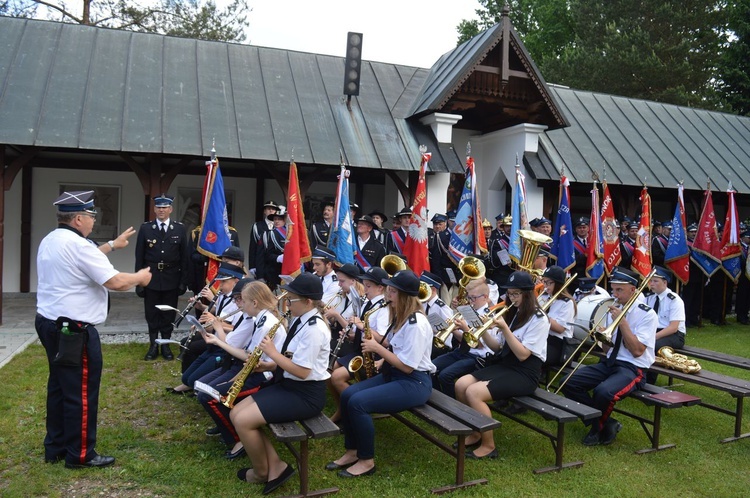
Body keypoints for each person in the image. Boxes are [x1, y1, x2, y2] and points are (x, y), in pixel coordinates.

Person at [36, 190, 152, 468]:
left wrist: (112, 245)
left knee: (60, 387)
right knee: (81, 393)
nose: (93, 220)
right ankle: (81, 454)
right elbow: (116, 282)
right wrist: (140, 277)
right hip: (74, 331)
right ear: (77, 219)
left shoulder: (52, 239)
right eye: (90, 215)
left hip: (49, 323)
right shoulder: (80, 246)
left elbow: (81, 262)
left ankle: (56, 447)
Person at [326, 270, 435, 478]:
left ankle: (366, 460)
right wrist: (379, 351)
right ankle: (352, 451)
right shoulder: (401, 318)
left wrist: (377, 349)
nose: (388, 296)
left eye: (392, 292)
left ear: (404, 296)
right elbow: (396, 347)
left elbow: (407, 366)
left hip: (414, 383)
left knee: (358, 402)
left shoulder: (417, 324)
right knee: (348, 395)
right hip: (395, 374)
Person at [230, 273, 330, 494]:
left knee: (244, 421)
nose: (286, 302)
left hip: (305, 395)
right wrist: (270, 366)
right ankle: (275, 465)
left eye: (291, 298)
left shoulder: (314, 328)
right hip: (290, 385)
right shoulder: (303, 320)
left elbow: (303, 372)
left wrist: (273, 354)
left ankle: (261, 472)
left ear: (308, 302)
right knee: (236, 413)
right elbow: (293, 360)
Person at [454, 270, 549, 459]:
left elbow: (523, 355)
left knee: (474, 392)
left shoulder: (539, 319)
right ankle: (475, 431)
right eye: (509, 294)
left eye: (515, 294)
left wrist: (504, 329)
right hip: (506, 365)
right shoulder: (513, 313)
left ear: (527, 294)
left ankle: (489, 446)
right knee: (460, 384)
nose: (511, 298)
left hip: (526, 373)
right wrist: (482, 331)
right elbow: (497, 347)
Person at [561, 267, 657, 446]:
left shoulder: (647, 314)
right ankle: (606, 424)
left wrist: (622, 323)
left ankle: (596, 430)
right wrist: (602, 335)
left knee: (603, 392)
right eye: (613, 289)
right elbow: (607, 349)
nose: (615, 294)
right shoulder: (613, 309)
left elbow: (637, 351)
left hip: (633, 367)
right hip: (610, 362)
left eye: (619, 290)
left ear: (632, 290)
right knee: (568, 382)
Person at [200, 280, 286, 460]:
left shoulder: (266, 322)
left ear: (254, 303)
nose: (241, 305)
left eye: (244, 301)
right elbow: (250, 354)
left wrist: (218, 341)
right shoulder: (261, 318)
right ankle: (233, 433)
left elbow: (255, 360)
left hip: (264, 376)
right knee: (207, 392)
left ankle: (239, 440)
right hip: (254, 369)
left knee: (210, 396)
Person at [168, 262, 246, 394]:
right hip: (215, 339)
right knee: (187, 377)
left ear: (236, 281)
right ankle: (190, 382)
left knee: (192, 379)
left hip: (224, 345)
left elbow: (234, 327)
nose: (220, 286)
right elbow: (219, 314)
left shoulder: (240, 302)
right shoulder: (224, 296)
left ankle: (199, 385)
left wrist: (214, 322)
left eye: (223, 282)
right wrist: (202, 314)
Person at [327, 267, 390, 422]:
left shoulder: (383, 307)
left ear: (380, 288)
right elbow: (363, 333)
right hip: (360, 349)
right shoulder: (368, 304)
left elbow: (383, 339)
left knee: (336, 377)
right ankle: (342, 408)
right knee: (327, 372)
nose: (365, 289)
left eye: (368, 286)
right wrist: (352, 336)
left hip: (372, 354)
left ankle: (357, 409)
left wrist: (360, 325)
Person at [135, 193, 190, 361]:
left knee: (167, 314)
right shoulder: (146, 228)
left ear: (170, 209)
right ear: (154, 209)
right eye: (158, 207)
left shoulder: (179, 229)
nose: (161, 210)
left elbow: (184, 258)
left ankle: (165, 345)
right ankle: (153, 345)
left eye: (164, 207)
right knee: (152, 314)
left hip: (171, 278)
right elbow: (139, 257)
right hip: (150, 279)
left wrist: (183, 281)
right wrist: (139, 282)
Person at [433, 280, 502, 398]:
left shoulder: (489, 316)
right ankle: (438, 399)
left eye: (473, 298)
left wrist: (465, 329)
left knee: (445, 376)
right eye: (469, 297)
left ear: (485, 297)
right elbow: (462, 340)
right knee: (432, 368)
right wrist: (452, 329)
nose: (470, 301)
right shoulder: (468, 310)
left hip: (477, 357)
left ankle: (452, 405)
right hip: (461, 351)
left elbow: (479, 345)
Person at [644, 267, 686, 384]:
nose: (652, 284)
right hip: (654, 331)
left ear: (665, 282)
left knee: (652, 346)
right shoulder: (649, 298)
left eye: (655, 281)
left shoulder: (674, 300)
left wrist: (652, 337)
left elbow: (673, 327)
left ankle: (649, 382)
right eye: (651, 281)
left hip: (674, 335)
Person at [538, 266, 576, 367]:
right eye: (544, 282)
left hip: (558, 344)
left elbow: (559, 329)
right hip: (542, 338)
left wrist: (541, 313)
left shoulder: (567, 303)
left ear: (558, 284)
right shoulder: (544, 296)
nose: (545, 285)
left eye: (549, 282)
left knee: (533, 356)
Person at [420, 270, 453, 357]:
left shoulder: (442, 308)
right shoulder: (422, 304)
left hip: (440, 345)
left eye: (424, 288)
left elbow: (449, 330)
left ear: (433, 289)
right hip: (425, 341)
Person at [259, 206, 287, 290]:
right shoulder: (270, 234)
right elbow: (266, 255)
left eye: (280, 219)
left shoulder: (291, 233)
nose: (277, 221)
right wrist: (278, 258)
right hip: (275, 272)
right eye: (275, 219)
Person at [248, 200, 279, 278]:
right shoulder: (257, 226)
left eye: (273, 209)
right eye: (268, 209)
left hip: (276, 264)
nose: (271, 210)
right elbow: (253, 247)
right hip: (261, 263)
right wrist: (252, 266)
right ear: (264, 211)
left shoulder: (280, 227)